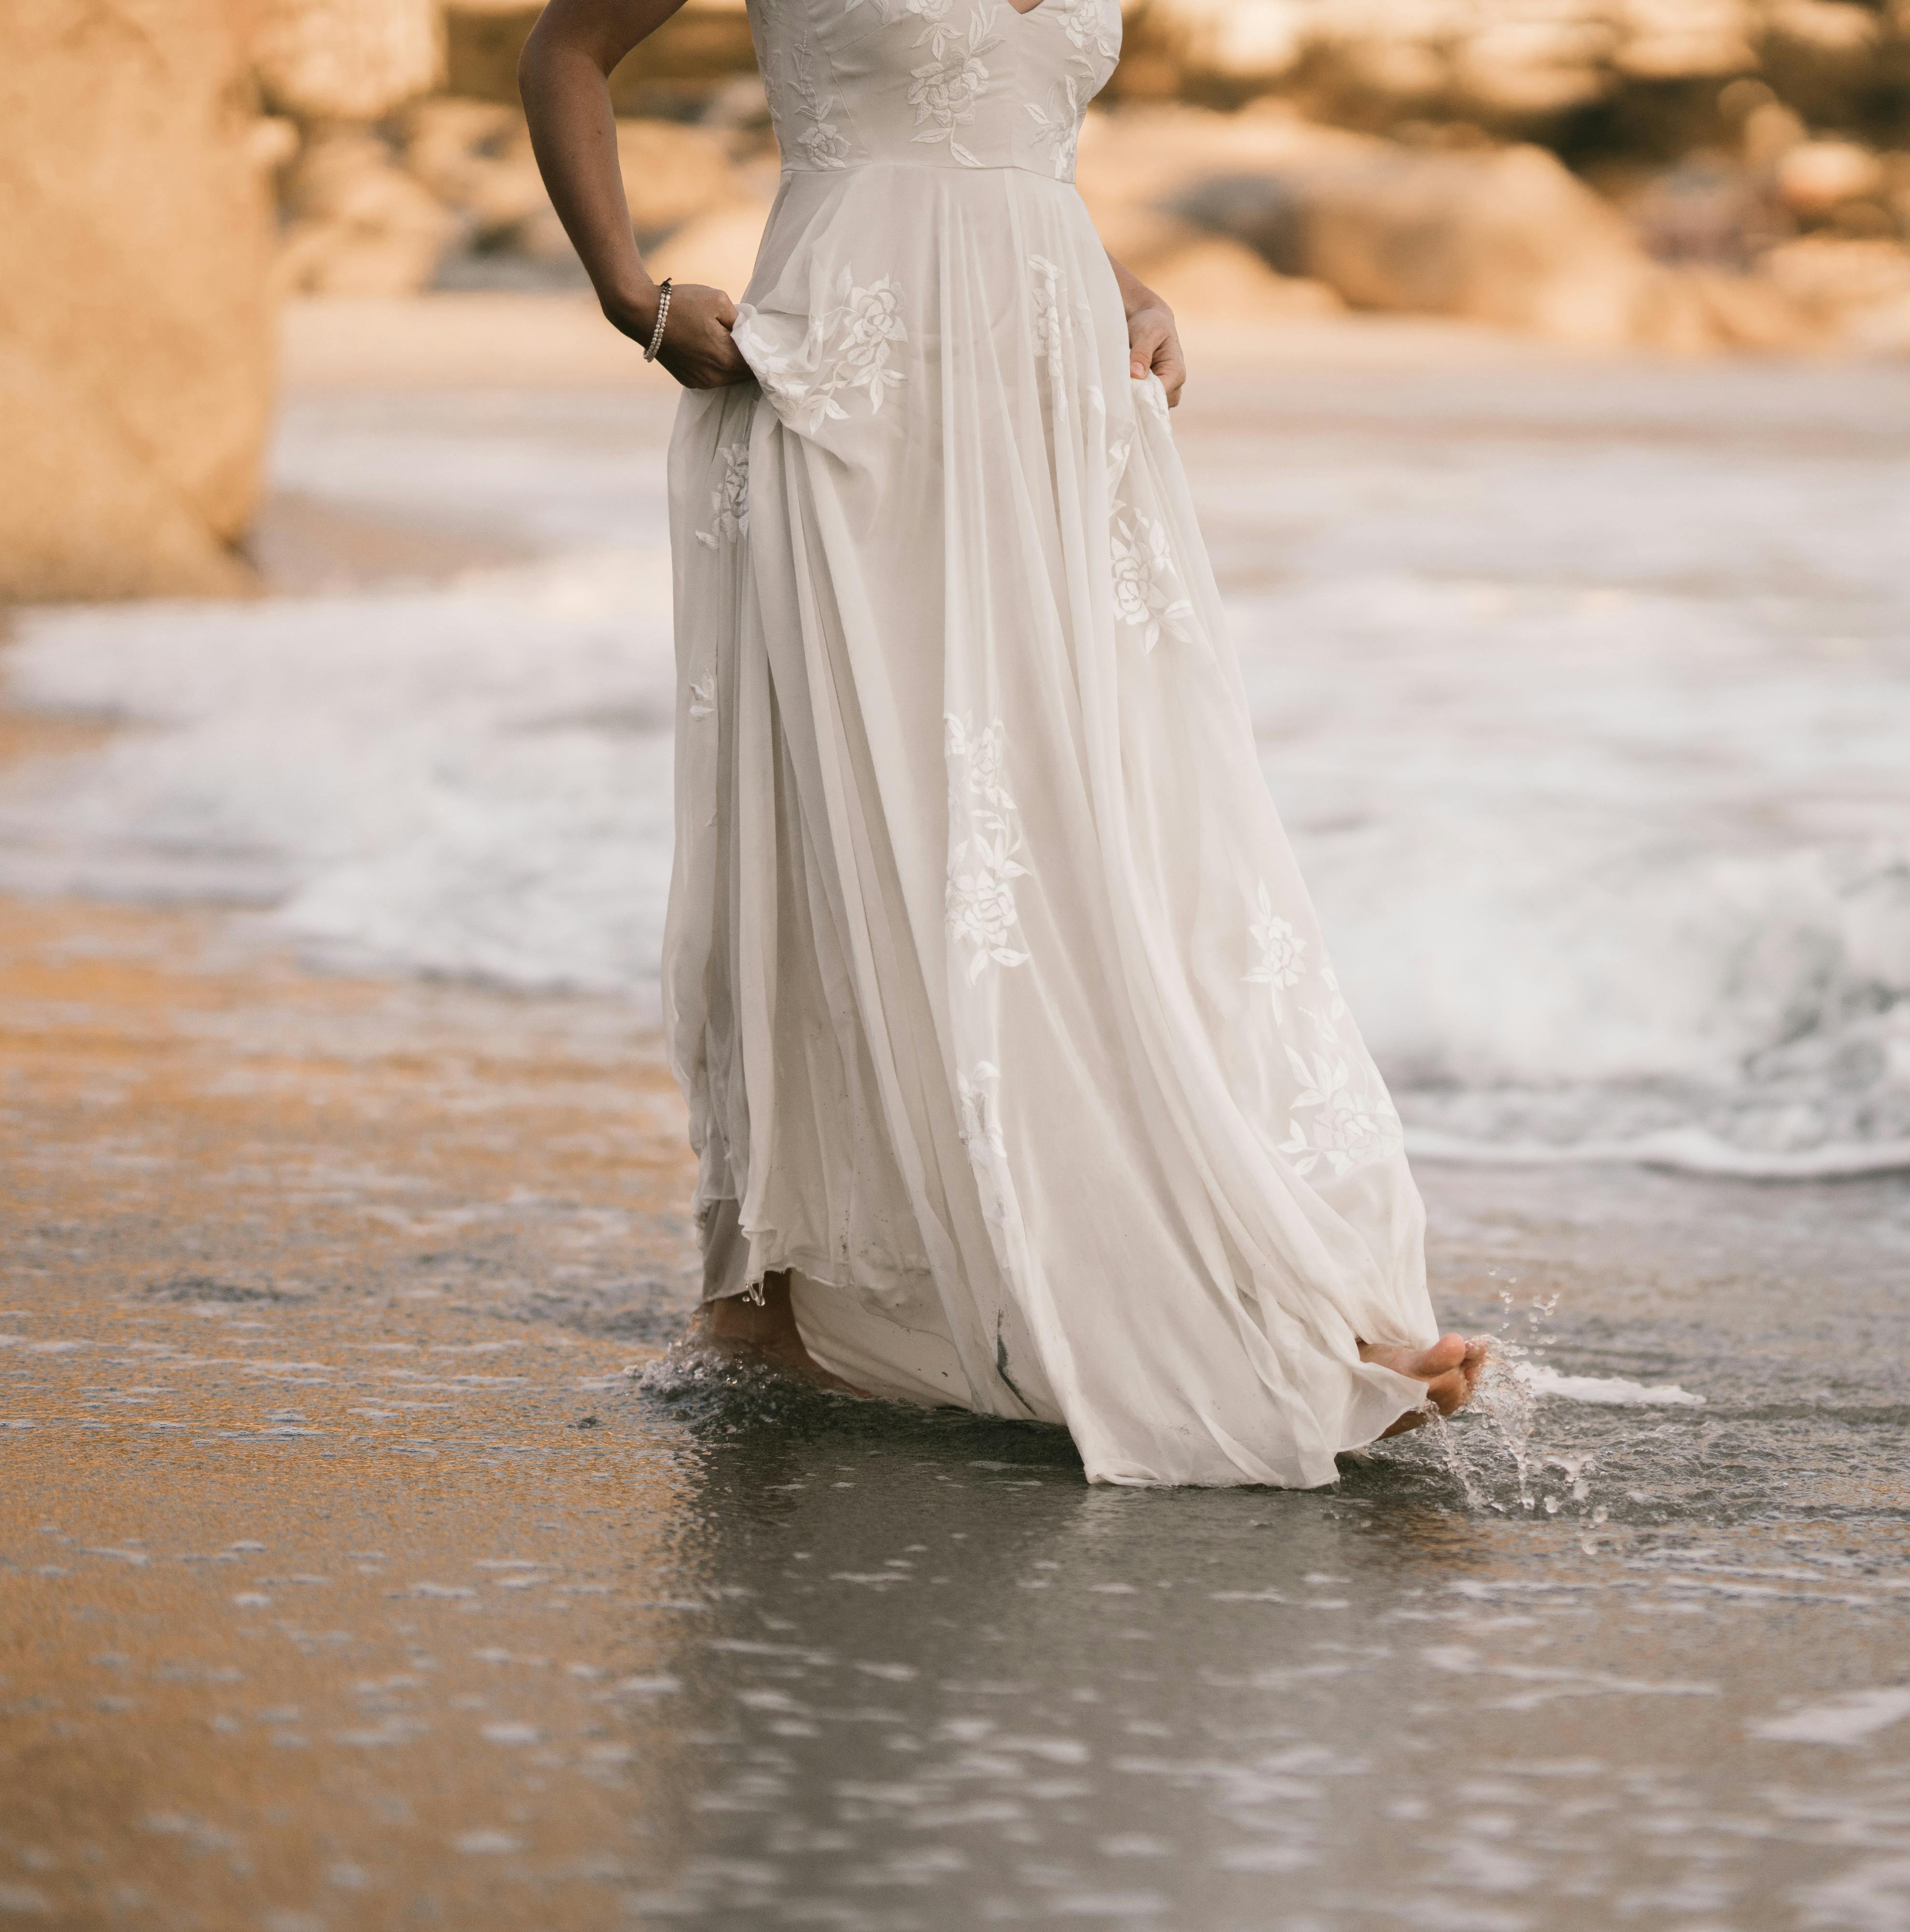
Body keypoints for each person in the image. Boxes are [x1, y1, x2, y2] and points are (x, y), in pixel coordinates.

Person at [519, 0, 1485, 1486]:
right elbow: (566, 48)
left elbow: (1016, 162)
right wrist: (629, 292)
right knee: (850, 827)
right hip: (847, 396)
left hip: (1043, 407)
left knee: (1105, 827)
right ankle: (767, 1293)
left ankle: (1246, 1270)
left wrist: (1132, 290)